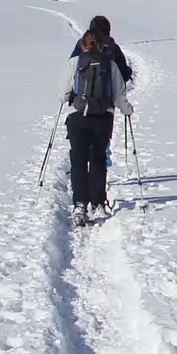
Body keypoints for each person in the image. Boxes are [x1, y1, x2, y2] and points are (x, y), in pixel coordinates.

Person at [64, 29, 131, 219]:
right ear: (103, 45)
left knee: (78, 160)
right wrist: (127, 110)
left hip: (78, 117)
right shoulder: (110, 65)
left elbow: (62, 92)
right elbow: (119, 94)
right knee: (98, 159)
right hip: (103, 118)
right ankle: (98, 202)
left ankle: (79, 204)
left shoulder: (74, 63)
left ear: (82, 45)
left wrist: (71, 98)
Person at [69, 14, 134, 88]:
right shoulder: (113, 46)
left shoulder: (82, 43)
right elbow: (123, 74)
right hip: (107, 96)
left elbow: (71, 67)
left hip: (80, 94)